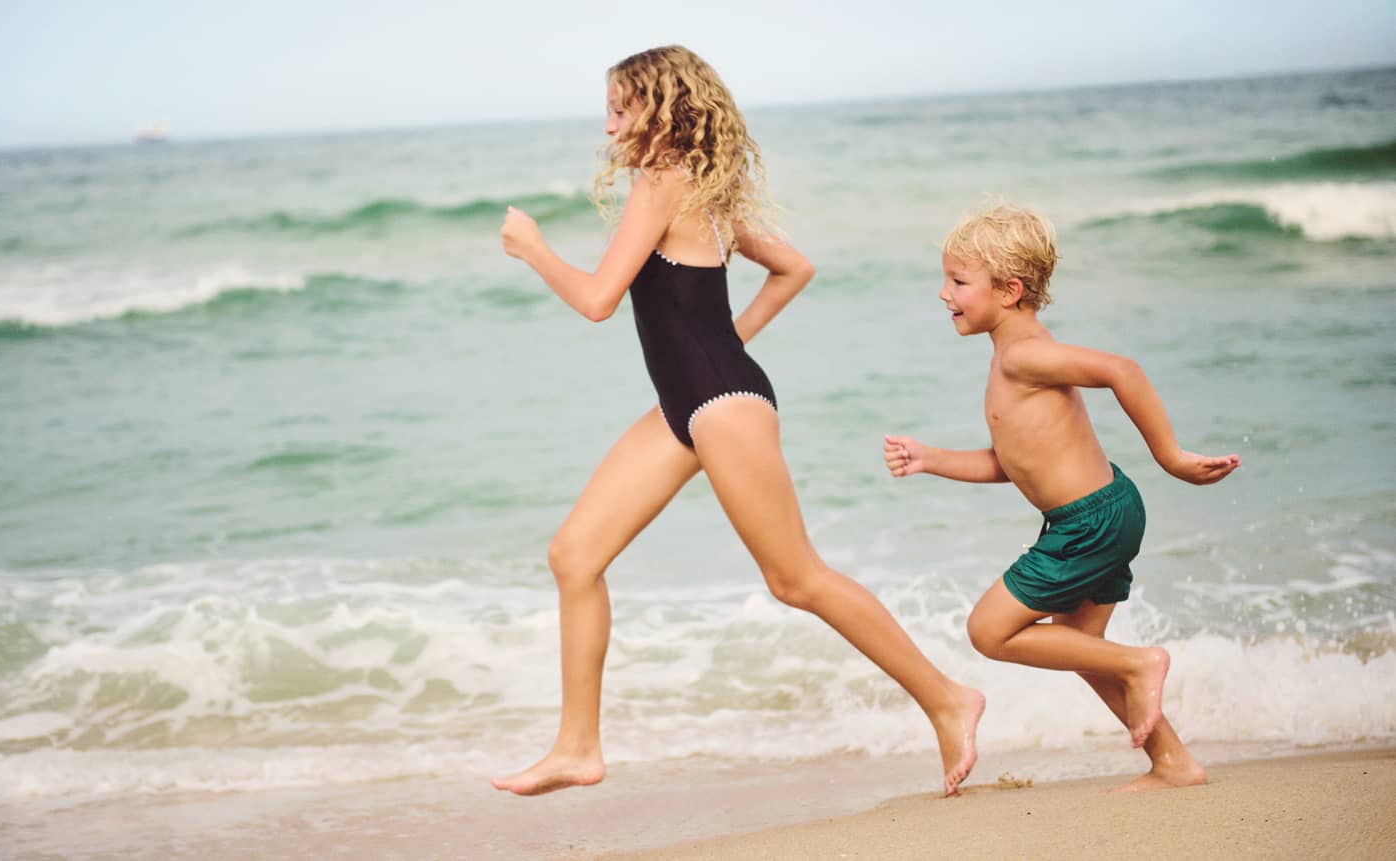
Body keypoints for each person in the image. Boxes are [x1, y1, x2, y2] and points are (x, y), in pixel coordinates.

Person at [494, 45, 984, 798]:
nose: (608, 124)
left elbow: (596, 300)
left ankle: (949, 697)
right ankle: (577, 746)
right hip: (693, 402)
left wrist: (532, 250)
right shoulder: (705, 190)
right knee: (575, 555)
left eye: (620, 108)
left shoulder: (662, 183)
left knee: (797, 578)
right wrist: (725, 348)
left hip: (723, 405)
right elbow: (794, 267)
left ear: (659, 110)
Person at [883, 201, 1240, 791]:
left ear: (1009, 290)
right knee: (1077, 647)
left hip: (1089, 522)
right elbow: (1016, 463)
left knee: (990, 631)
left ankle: (1141, 662)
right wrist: (932, 459)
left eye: (958, 281)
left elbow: (1121, 369)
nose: (944, 293)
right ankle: (1174, 761)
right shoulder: (1015, 353)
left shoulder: (1023, 354)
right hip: (1099, 511)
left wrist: (1171, 457)